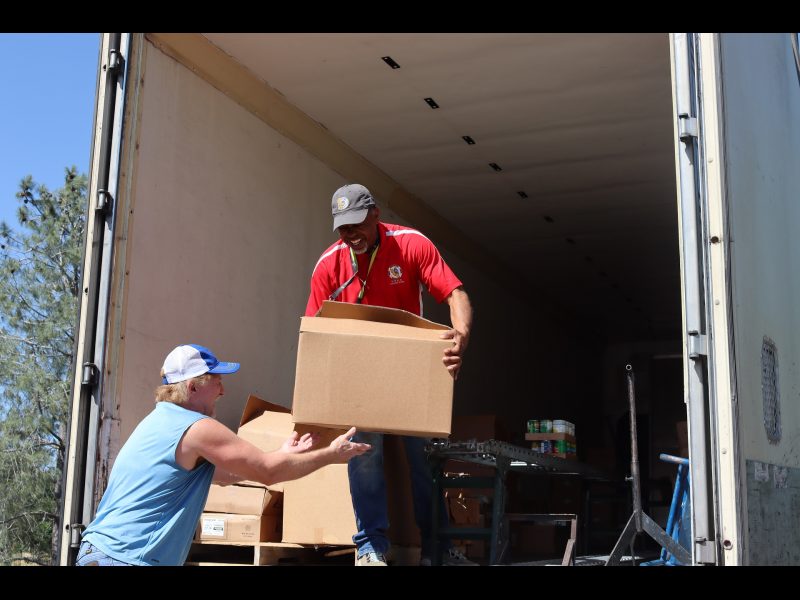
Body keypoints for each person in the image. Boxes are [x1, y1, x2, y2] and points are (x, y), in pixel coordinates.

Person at [75, 343, 370, 566]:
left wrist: (281, 454)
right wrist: (331, 455)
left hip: (99, 553)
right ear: (192, 387)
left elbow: (229, 474)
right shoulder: (197, 428)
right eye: (216, 381)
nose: (223, 391)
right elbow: (268, 472)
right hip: (124, 558)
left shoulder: (158, 423)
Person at [305, 183, 475, 566]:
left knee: (426, 458)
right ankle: (371, 546)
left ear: (375, 215)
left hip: (409, 369)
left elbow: (455, 294)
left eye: (357, 226)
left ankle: (437, 548)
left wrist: (459, 340)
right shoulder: (329, 265)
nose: (351, 236)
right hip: (357, 374)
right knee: (363, 453)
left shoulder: (410, 244)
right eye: (342, 229)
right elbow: (313, 334)